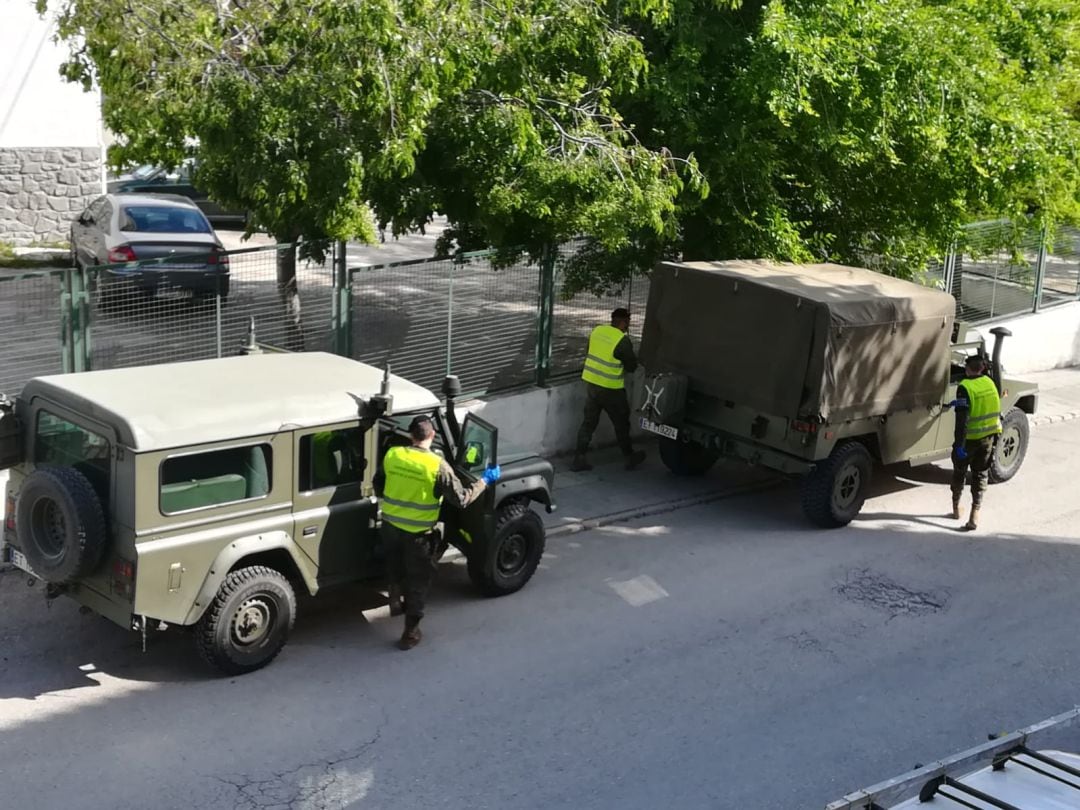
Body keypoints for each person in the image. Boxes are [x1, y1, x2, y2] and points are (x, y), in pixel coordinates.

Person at [376, 415, 501, 650]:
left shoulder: (392, 455)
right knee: (418, 583)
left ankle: (394, 599)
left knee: (395, 567)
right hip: (418, 534)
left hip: (390, 527)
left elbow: (378, 485)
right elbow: (462, 499)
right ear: (432, 436)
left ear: (411, 435)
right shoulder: (437, 465)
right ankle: (410, 634)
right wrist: (485, 480)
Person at [572, 308, 647, 472]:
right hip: (612, 389)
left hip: (592, 385)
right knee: (621, 424)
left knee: (588, 423)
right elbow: (631, 366)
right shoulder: (622, 340)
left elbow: (589, 352)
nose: (628, 326)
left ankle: (579, 458)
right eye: (628, 322)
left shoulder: (597, 331)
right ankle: (629, 457)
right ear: (625, 322)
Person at [949, 355, 1002, 530]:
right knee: (980, 474)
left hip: (969, 441)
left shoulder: (965, 387)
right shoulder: (990, 383)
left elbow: (962, 421)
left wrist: (959, 445)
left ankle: (956, 508)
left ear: (967, 369)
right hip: (988, 439)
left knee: (959, 472)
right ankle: (975, 514)